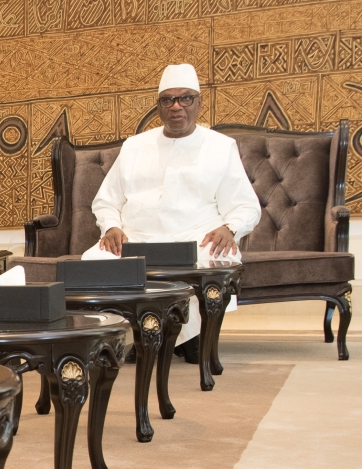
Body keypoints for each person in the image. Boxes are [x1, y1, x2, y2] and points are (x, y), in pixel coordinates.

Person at [86, 63, 261, 361]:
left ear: (199, 103)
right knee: (92, 262)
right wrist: (111, 227)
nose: (176, 107)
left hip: (194, 239)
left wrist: (230, 228)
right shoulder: (134, 146)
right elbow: (105, 201)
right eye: (167, 100)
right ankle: (125, 337)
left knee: (216, 258)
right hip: (136, 239)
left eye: (185, 98)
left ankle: (185, 336)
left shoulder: (221, 147)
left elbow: (246, 205)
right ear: (159, 107)